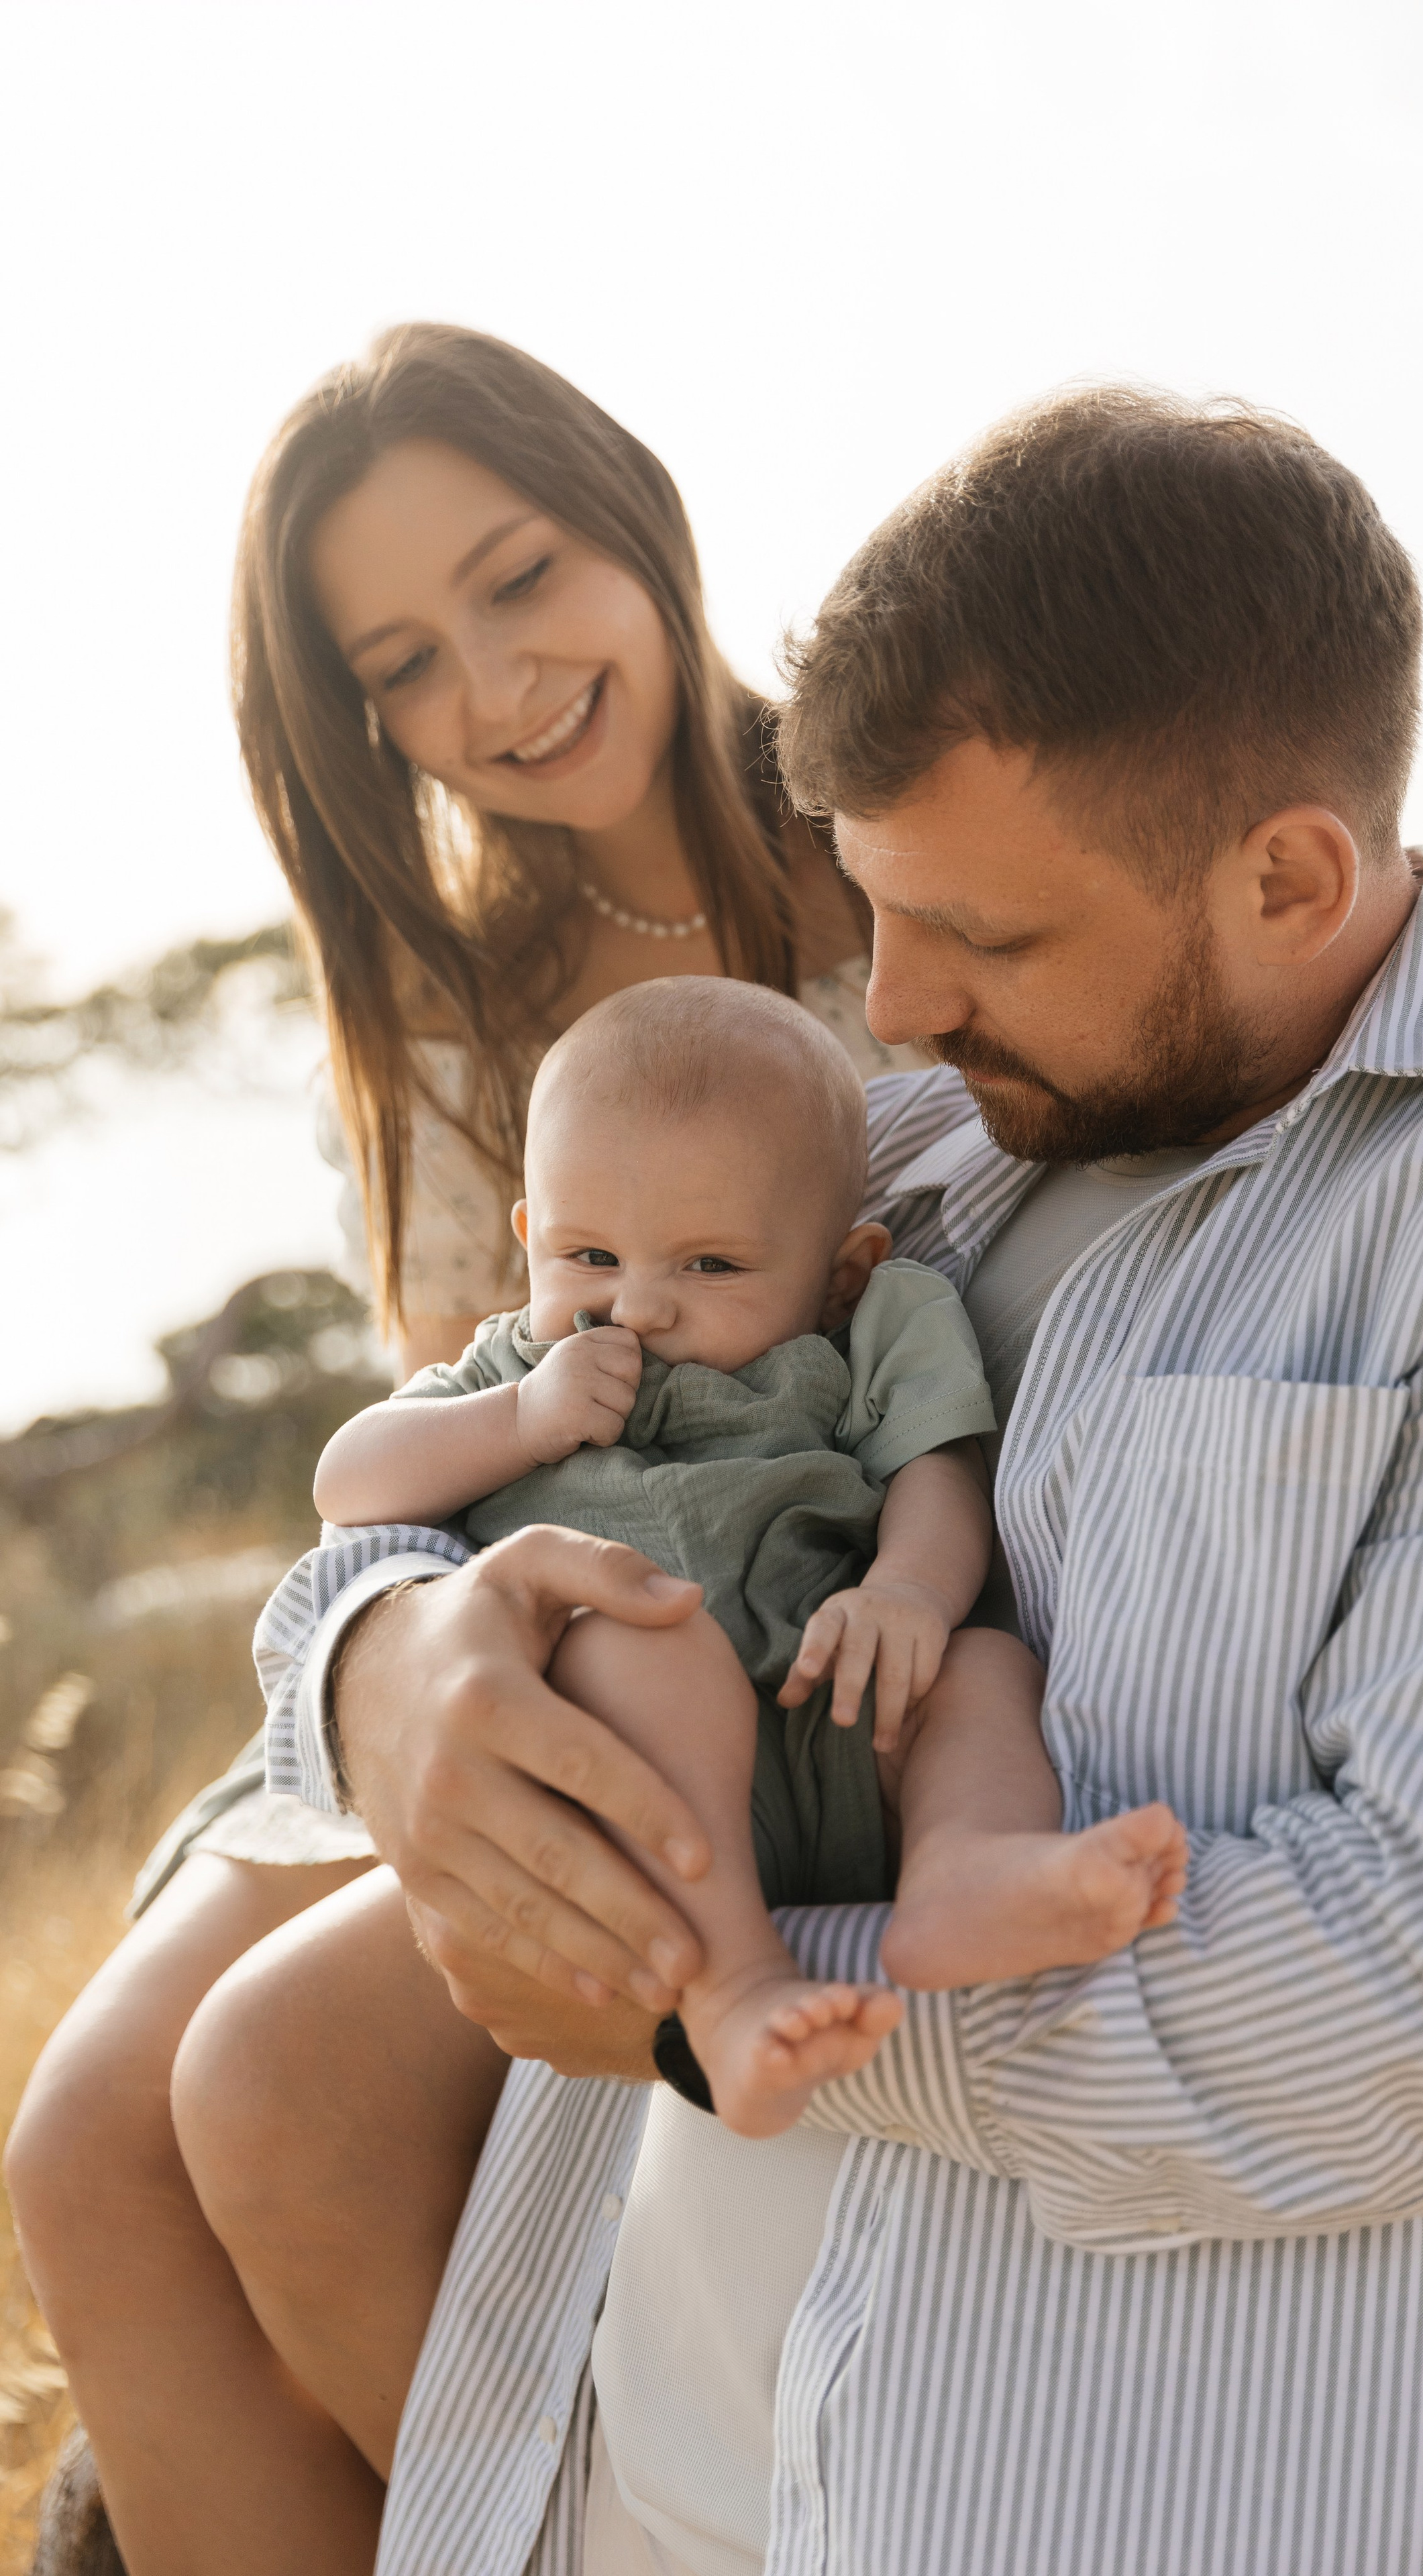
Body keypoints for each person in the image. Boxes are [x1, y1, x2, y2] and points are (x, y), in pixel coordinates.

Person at [179, 384, 1423, 2576]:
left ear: (1286, 873)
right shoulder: (900, 1154)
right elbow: (453, 1484)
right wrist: (388, 1684)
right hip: (617, 2484)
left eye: (979, 939)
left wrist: (708, 1992)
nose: (890, 1006)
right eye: (878, 916)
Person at [5, 323, 916, 2575]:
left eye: (520, 580)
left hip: (751, 1601)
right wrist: (400, 1664)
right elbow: (435, 1450)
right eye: (402, 664)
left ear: (624, 506)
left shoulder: (909, 820)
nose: (497, 690)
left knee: (267, 2102)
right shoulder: (431, 1010)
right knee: (79, 2143)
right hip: (477, 1606)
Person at [316, 977, 1188, 2131]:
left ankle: (963, 1868)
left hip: (841, 1709)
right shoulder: (513, 1367)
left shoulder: (876, 1324)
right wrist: (521, 1420)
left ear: (840, 1270)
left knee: (982, 1673)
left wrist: (909, 1595)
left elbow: (943, 1470)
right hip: (643, 1782)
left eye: (710, 1267)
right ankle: (733, 1991)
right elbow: (350, 1481)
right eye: (587, 1254)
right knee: (635, 1645)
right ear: (528, 1235)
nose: (638, 1307)